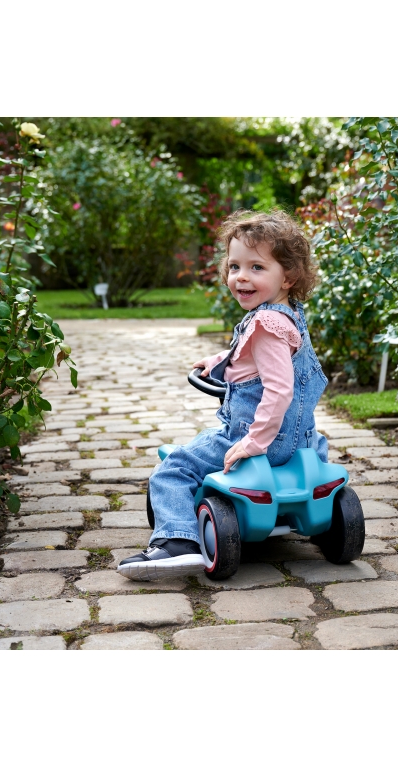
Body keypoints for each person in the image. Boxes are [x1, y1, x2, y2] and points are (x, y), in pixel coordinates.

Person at [117, 209, 329, 580]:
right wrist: (217, 361)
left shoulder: (265, 324)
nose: (241, 276)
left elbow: (279, 389)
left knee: (174, 468)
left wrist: (252, 443)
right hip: (303, 441)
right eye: (235, 266)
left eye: (256, 267)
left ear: (289, 276)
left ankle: (177, 540)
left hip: (257, 438)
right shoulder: (286, 314)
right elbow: (254, 358)